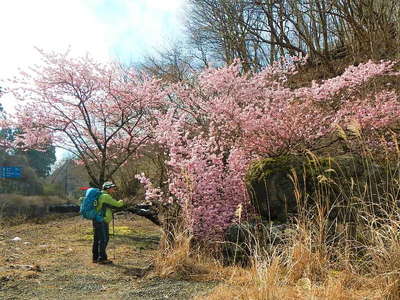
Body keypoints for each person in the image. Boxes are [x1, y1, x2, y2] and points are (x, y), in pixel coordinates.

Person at [92, 181, 124, 264]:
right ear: (108, 188)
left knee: (97, 239)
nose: (113, 189)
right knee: (104, 239)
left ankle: (95, 258)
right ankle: (102, 259)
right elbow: (117, 204)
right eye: (112, 188)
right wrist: (122, 201)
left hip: (96, 219)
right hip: (102, 220)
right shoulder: (106, 196)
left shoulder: (99, 195)